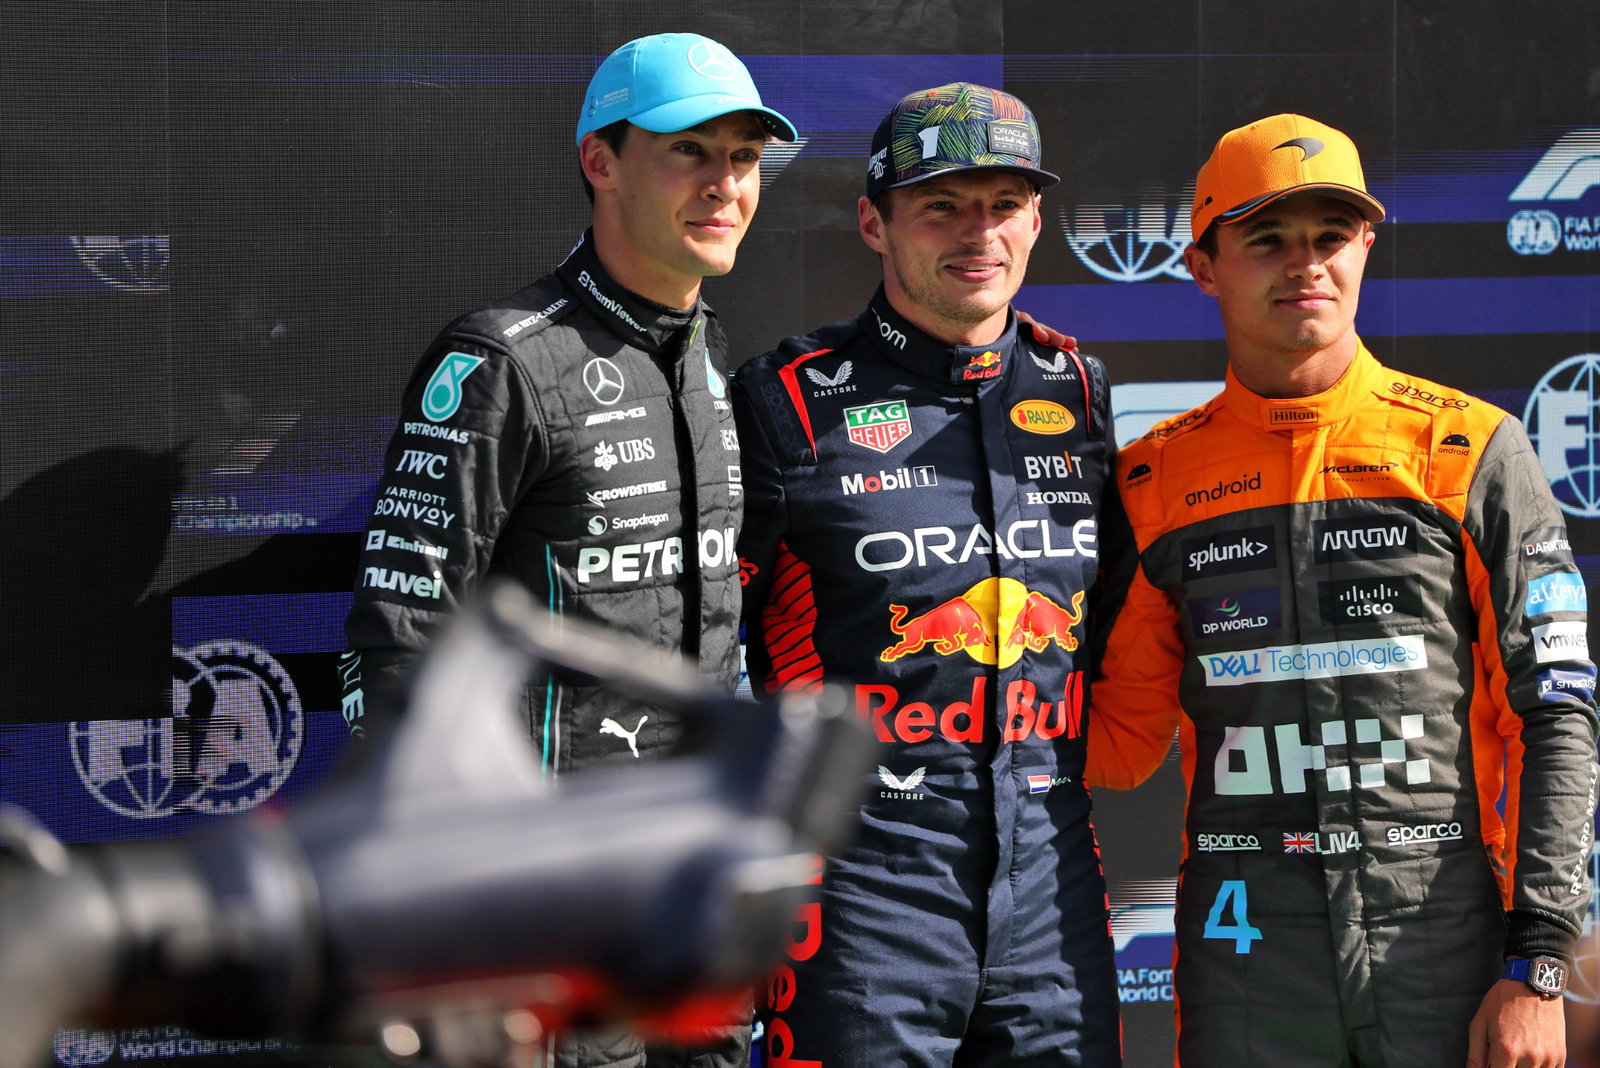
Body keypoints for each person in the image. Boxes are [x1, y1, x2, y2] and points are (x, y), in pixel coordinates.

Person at [1087, 113, 1600, 1067]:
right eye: (1267, 239)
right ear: (1202, 266)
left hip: (1443, 931)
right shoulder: (1153, 481)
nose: (1306, 264)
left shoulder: (1469, 447)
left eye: (1331, 235)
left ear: (1365, 247)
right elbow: (1116, 743)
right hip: (1247, 949)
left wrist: (1539, 965)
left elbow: (1556, 713)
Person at [340, 31, 795, 1068]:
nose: (724, 184)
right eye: (689, 151)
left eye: (743, 156)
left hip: (693, 882)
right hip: (549, 897)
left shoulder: (708, 355)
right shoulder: (501, 359)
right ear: (602, 161)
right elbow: (398, 633)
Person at [734, 82, 1121, 1066]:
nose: (977, 232)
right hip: (860, 887)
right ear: (875, 223)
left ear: (1035, 221)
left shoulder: (1078, 390)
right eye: (941, 205)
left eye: (1003, 204)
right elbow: (693, 639)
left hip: (1051, 889)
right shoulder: (787, 398)